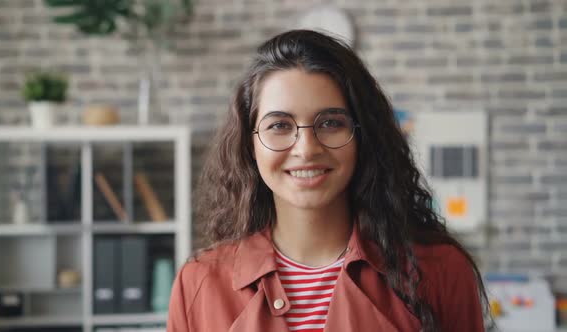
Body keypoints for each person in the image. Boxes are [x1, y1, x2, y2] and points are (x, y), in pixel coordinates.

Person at [167, 29, 489, 332]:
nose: (307, 149)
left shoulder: (440, 272)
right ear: (250, 145)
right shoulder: (198, 284)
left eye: (331, 122)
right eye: (279, 125)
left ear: (362, 136)